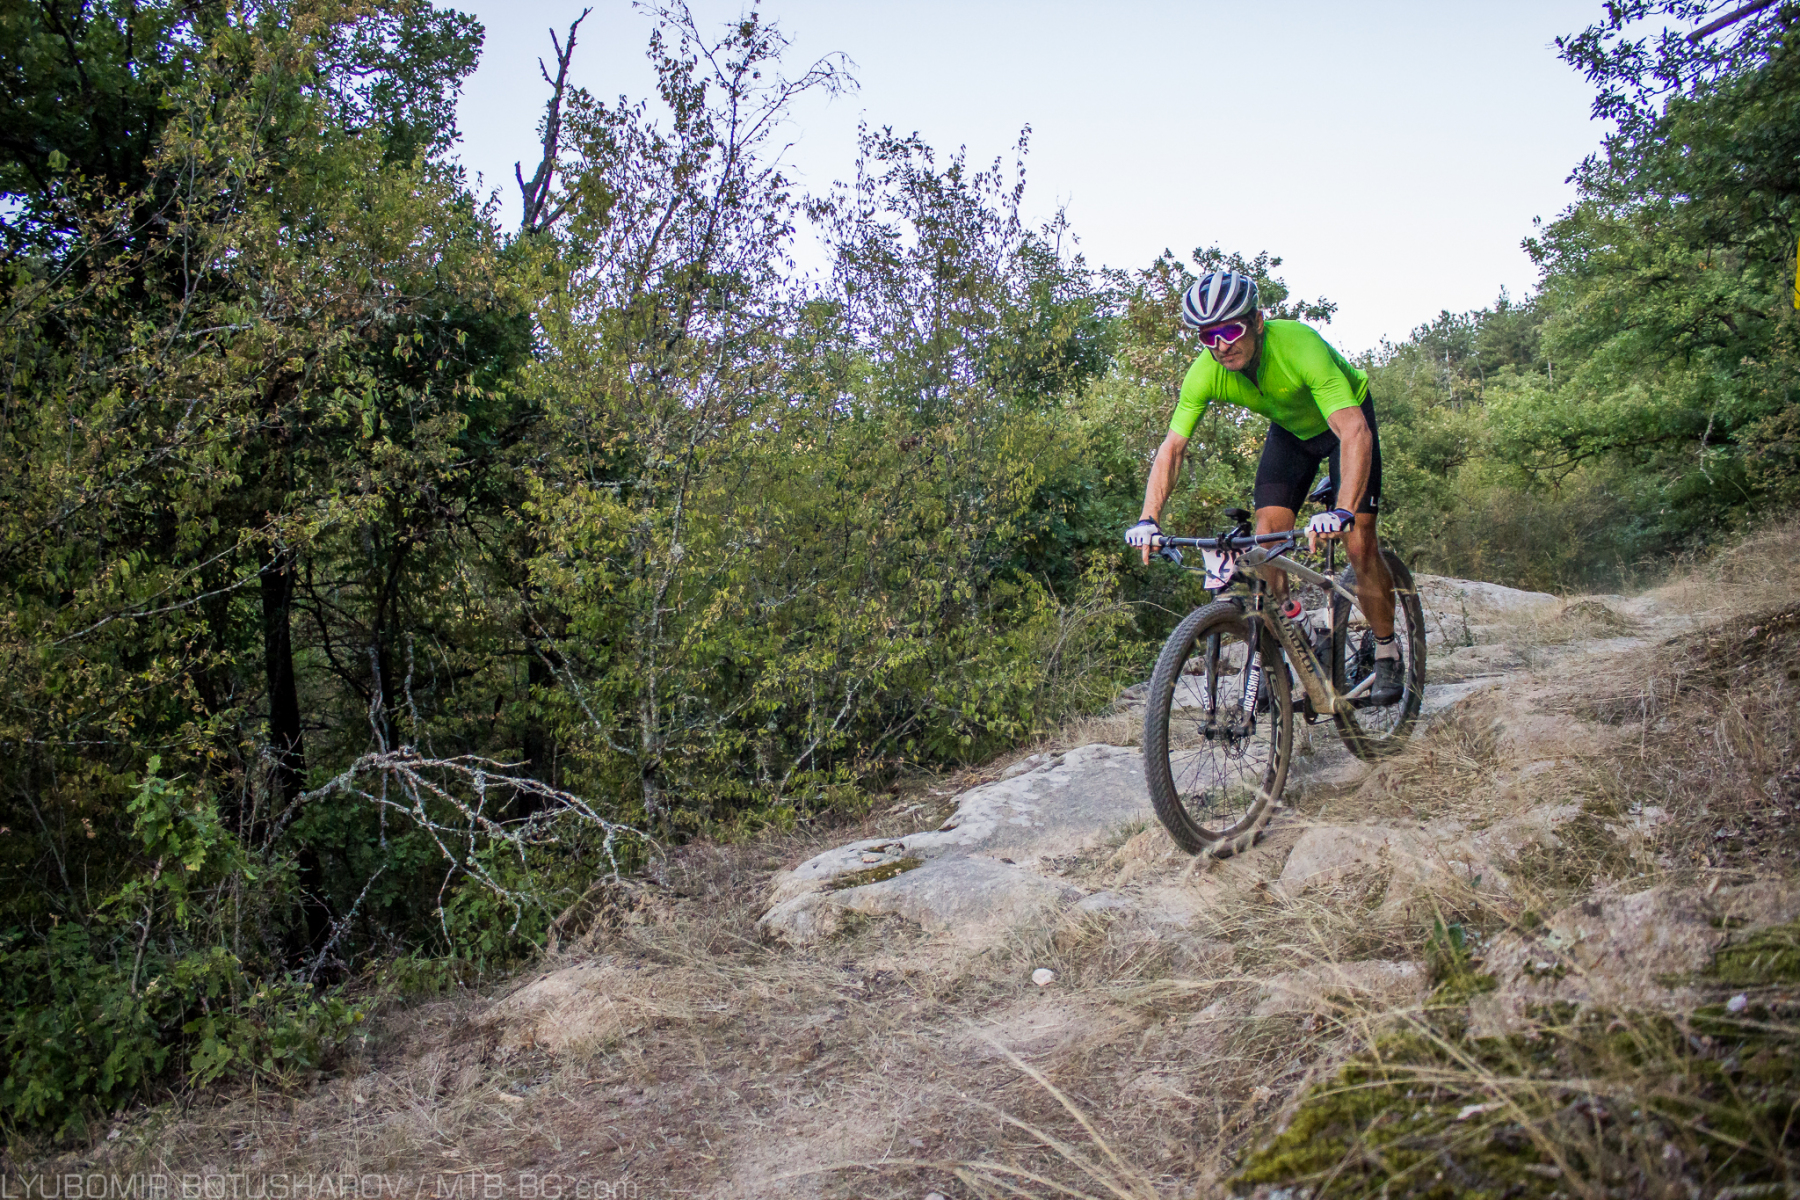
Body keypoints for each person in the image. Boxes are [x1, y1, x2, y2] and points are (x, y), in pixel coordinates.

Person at [1124, 269, 1403, 705]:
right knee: (1266, 542)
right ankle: (1297, 635)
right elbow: (1173, 448)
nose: (1221, 345)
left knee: (1358, 542)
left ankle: (1387, 649)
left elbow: (1354, 432)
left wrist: (1343, 511)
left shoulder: (1298, 345)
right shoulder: (1206, 371)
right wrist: (1148, 519)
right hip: (1291, 432)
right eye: (1208, 336)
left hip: (1345, 424)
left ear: (1257, 321)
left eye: (1231, 330)